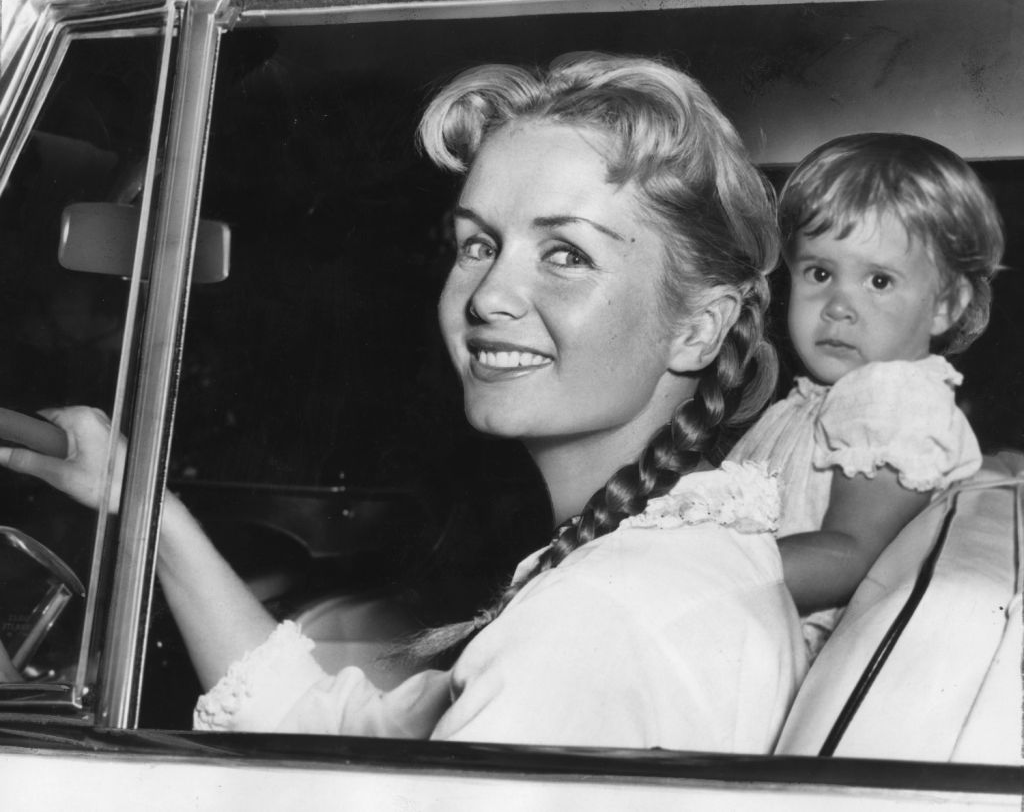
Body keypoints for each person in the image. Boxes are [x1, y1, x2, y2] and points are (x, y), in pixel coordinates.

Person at [0, 52, 806, 750]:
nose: (490, 293)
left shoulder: (601, 621)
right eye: (478, 243)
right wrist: (140, 503)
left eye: (565, 253)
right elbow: (340, 733)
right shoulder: (651, 565)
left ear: (699, 329)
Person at [729, 133, 1004, 659]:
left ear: (946, 304)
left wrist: (700, 568)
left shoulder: (891, 398)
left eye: (879, 280)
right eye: (820, 272)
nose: (837, 306)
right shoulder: (828, 398)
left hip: (780, 647)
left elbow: (850, 552)